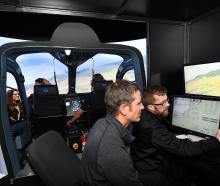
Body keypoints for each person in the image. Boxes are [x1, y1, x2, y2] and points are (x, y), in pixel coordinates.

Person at [130, 86, 220, 186]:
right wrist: (215, 140)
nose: (168, 104)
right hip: (153, 170)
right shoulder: (153, 129)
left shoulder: (144, 115)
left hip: (144, 161)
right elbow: (183, 149)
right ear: (151, 107)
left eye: (167, 100)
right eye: (163, 103)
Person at [81, 80, 144, 186]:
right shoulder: (112, 148)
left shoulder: (101, 122)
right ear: (123, 109)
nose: (142, 107)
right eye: (138, 103)